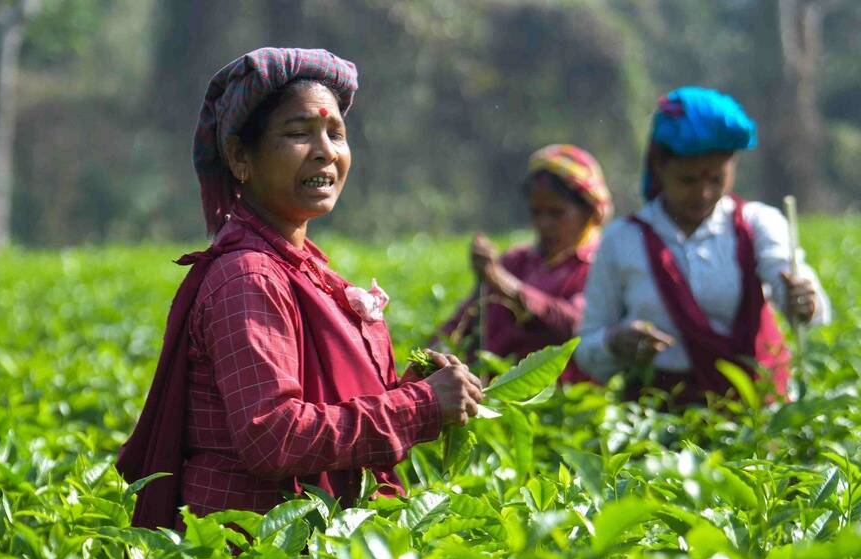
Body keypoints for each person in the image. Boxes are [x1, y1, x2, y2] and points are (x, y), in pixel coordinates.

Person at [117, 47, 483, 529]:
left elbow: (329, 404)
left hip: (307, 547)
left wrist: (416, 389)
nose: (325, 151)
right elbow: (274, 436)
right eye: (297, 133)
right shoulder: (249, 278)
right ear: (240, 158)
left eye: (336, 134)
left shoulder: (305, 271)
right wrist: (420, 406)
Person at [575, 86, 830, 401]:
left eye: (717, 179)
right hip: (658, 416)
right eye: (688, 180)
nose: (704, 194)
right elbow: (585, 347)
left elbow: (792, 284)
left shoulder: (758, 224)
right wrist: (615, 342)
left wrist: (802, 300)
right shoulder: (622, 240)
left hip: (755, 408)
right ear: (659, 167)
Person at [434, 144, 611, 383]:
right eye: (537, 213)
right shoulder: (515, 261)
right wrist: (435, 358)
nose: (544, 224)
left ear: (588, 213)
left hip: (557, 405)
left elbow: (575, 325)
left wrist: (507, 287)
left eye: (556, 213)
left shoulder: (598, 268)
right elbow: (460, 323)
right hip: (490, 399)